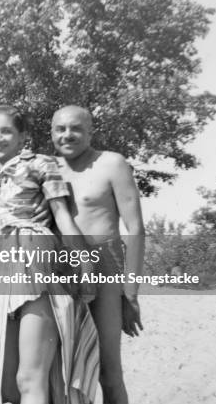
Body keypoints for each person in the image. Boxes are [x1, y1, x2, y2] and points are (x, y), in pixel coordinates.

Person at [0, 106, 99, 404]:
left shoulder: (40, 163)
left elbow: (61, 214)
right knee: (6, 382)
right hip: (2, 264)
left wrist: (84, 264)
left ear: (23, 136)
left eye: (6, 131)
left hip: (34, 255)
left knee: (30, 377)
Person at [51, 105, 145, 404]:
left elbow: (135, 228)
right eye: (60, 129)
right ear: (51, 133)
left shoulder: (112, 164)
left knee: (108, 371)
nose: (68, 134)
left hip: (105, 270)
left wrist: (130, 294)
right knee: (60, 371)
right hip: (60, 272)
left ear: (90, 131)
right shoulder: (47, 168)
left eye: (76, 128)